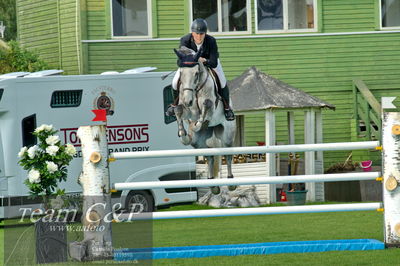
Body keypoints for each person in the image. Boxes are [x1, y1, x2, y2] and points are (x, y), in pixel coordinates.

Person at [167, 18, 235, 121]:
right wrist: (193, 61)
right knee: (175, 81)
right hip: (190, 66)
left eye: (201, 34)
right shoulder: (185, 40)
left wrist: (203, 61)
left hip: (209, 63)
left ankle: (227, 108)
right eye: (196, 33)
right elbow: (179, 61)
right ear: (192, 33)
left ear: (205, 33)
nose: (199, 36)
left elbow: (213, 62)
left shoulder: (211, 41)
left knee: (222, 81)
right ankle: (174, 104)